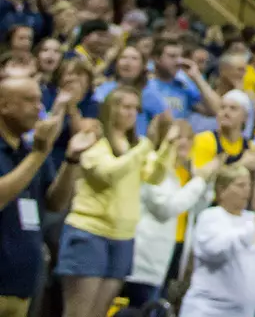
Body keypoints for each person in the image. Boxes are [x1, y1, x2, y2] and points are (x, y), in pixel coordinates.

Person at [59, 94, 178, 317]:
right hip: (90, 231)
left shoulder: (135, 145)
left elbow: (154, 177)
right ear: (110, 109)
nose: (131, 112)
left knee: (100, 312)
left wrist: (166, 146)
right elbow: (108, 173)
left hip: (123, 236)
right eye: (125, 106)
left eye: (135, 108)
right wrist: (147, 146)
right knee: (78, 313)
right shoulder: (94, 139)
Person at [0, 74, 92, 317]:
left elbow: (55, 203)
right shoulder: (35, 153)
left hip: (22, 284)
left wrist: (72, 160)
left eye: (40, 100)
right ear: (4, 105)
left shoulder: (30, 150)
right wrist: (40, 154)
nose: (40, 108)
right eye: (30, 100)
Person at [127, 145, 218, 305]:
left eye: (188, 141)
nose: (183, 146)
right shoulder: (154, 169)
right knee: (143, 308)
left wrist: (206, 182)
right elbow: (167, 209)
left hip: (178, 248)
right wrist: (200, 180)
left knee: (161, 307)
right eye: (179, 140)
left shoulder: (188, 174)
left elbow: (198, 208)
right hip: (148, 256)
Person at [182, 164, 255, 317]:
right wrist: (250, 230)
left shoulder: (252, 219)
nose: (247, 190)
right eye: (240, 185)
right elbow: (216, 250)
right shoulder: (210, 217)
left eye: (249, 185)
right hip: (208, 310)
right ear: (222, 190)